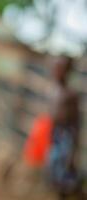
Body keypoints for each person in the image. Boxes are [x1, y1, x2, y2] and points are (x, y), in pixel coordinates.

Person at [47, 56, 83, 199]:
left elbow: (76, 122)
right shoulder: (54, 90)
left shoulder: (71, 94)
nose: (57, 71)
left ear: (68, 72)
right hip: (56, 133)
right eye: (55, 68)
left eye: (60, 69)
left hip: (66, 135)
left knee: (65, 171)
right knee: (54, 170)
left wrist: (74, 149)